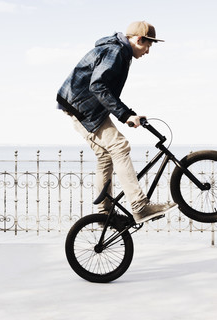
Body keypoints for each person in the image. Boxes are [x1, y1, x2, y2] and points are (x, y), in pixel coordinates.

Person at [56, 21, 176, 224]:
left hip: (82, 106)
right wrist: (124, 115)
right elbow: (98, 85)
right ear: (139, 40)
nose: (148, 51)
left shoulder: (118, 51)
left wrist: (128, 114)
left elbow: (102, 89)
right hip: (83, 107)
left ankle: (104, 215)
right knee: (120, 146)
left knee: (105, 155)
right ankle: (140, 206)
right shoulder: (116, 51)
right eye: (148, 45)